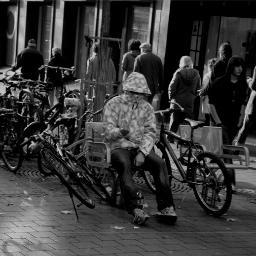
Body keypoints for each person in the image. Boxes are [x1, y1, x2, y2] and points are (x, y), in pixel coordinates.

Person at [103, 72, 177, 225]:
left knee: (160, 164)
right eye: (134, 92)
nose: (137, 96)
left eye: (141, 93)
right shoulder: (113, 104)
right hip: (119, 147)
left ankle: (166, 207)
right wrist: (120, 131)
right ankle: (136, 208)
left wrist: (143, 153)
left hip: (139, 148)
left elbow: (151, 133)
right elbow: (108, 132)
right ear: (127, 90)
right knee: (125, 165)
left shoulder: (147, 108)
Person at [207, 56, 249, 189]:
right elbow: (211, 104)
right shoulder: (219, 82)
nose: (240, 69)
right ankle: (230, 181)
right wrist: (218, 123)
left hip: (233, 124)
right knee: (224, 151)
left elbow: (243, 104)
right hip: (220, 122)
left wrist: (240, 121)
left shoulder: (243, 84)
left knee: (222, 151)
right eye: (237, 66)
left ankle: (211, 174)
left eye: (241, 66)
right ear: (231, 67)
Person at [168, 56, 201, 132]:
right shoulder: (197, 74)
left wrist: (171, 98)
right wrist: (192, 96)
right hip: (189, 103)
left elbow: (171, 87)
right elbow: (198, 89)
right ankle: (184, 140)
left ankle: (170, 140)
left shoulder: (178, 73)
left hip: (177, 102)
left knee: (174, 123)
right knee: (187, 123)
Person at [86, 42, 116, 114]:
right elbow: (114, 73)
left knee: (95, 108)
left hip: (96, 86)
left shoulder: (91, 60)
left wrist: (87, 87)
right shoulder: (110, 60)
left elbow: (88, 74)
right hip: (108, 87)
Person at [233, 65, 256, 145]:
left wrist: (249, 81)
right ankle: (237, 147)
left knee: (245, 128)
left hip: (254, 104)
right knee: (245, 127)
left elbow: (254, 85)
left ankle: (236, 149)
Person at [198, 58, 221, 125]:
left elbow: (204, 88)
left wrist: (202, 97)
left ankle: (209, 133)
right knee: (214, 119)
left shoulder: (207, 75)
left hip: (208, 99)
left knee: (208, 119)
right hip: (215, 100)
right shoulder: (218, 75)